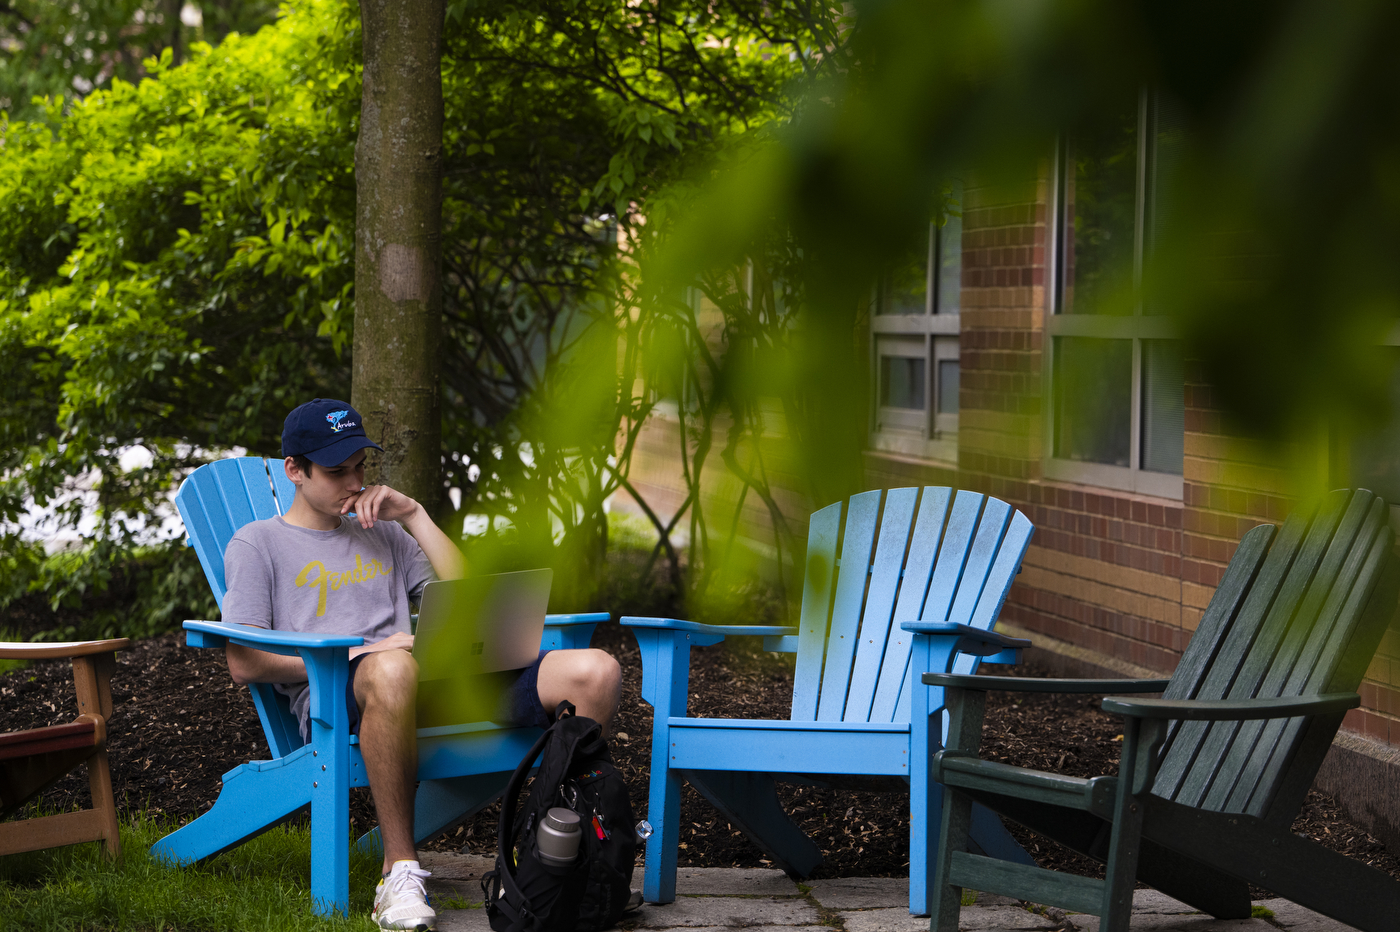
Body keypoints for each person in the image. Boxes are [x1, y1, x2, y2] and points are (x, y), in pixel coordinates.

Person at [220, 398, 621, 932]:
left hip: (436, 680)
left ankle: (565, 866)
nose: (355, 481)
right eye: (337, 471)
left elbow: (468, 599)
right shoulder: (258, 544)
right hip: (347, 695)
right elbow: (244, 661)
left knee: (595, 671)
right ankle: (399, 871)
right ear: (294, 470)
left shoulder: (384, 532)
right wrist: (364, 653)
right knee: (393, 670)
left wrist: (414, 515)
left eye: (360, 466)